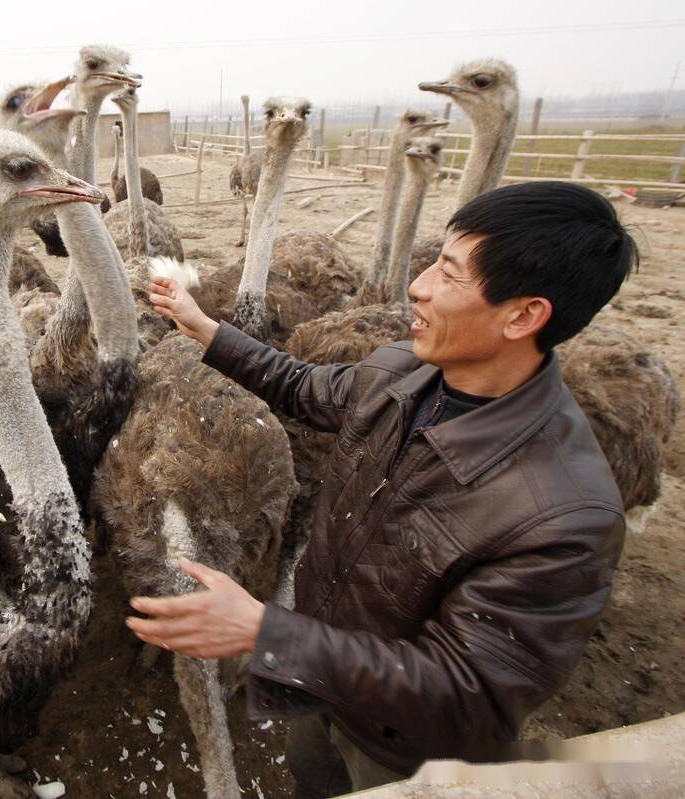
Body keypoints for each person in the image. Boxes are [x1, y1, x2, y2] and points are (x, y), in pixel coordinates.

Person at [126, 181, 636, 797]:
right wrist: (201, 326)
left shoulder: (562, 515)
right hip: (317, 682)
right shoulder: (407, 372)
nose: (418, 286)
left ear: (524, 315)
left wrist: (268, 634)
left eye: (449, 274)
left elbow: (469, 692)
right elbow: (304, 387)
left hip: (402, 748)